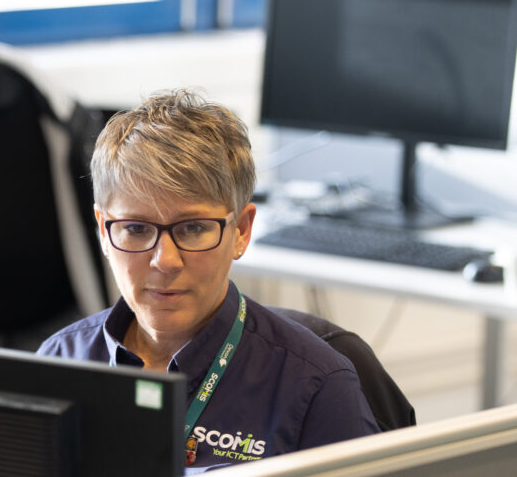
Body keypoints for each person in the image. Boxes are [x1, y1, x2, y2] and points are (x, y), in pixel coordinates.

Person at [37, 90, 380, 472]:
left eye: (194, 228)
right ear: (103, 230)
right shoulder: (59, 363)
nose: (164, 261)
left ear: (241, 231)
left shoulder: (316, 386)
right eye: (135, 228)